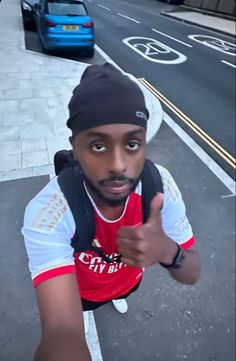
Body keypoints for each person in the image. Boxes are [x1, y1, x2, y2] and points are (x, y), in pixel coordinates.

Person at [22, 63, 201, 361]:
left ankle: (118, 296)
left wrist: (168, 250)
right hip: (82, 292)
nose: (118, 165)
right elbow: (62, 333)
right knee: (81, 313)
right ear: (74, 148)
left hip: (128, 281)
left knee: (121, 293)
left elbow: (191, 272)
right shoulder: (49, 211)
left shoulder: (159, 187)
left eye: (132, 143)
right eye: (97, 145)